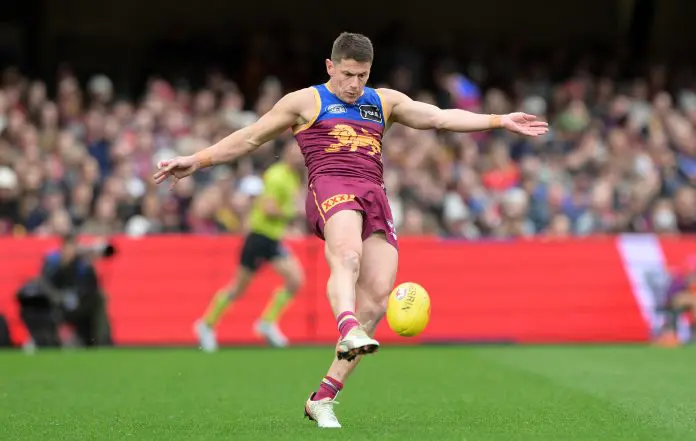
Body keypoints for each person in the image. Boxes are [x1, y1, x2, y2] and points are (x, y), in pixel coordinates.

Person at [153, 32, 548, 428]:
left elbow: (440, 117)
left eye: (362, 75)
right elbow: (250, 137)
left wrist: (499, 120)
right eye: (347, 74)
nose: (354, 84)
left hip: (373, 195)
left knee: (376, 298)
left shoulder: (383, 102)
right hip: (330, 185)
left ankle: (322, 398)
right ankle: (346, 325)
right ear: (330, 67)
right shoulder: (305, 101)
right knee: (347, 256)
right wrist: (197, 160)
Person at [194, 140, 305, 350]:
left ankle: (267, 322)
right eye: (295, 151)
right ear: (287, 153)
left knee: (296, 279)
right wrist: (294, 212)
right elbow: (269, 209)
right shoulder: (277, 175)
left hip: (273, 238)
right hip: (259, 235)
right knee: (238, 288)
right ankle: (206, 324)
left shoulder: (292, 177)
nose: (299, 156)